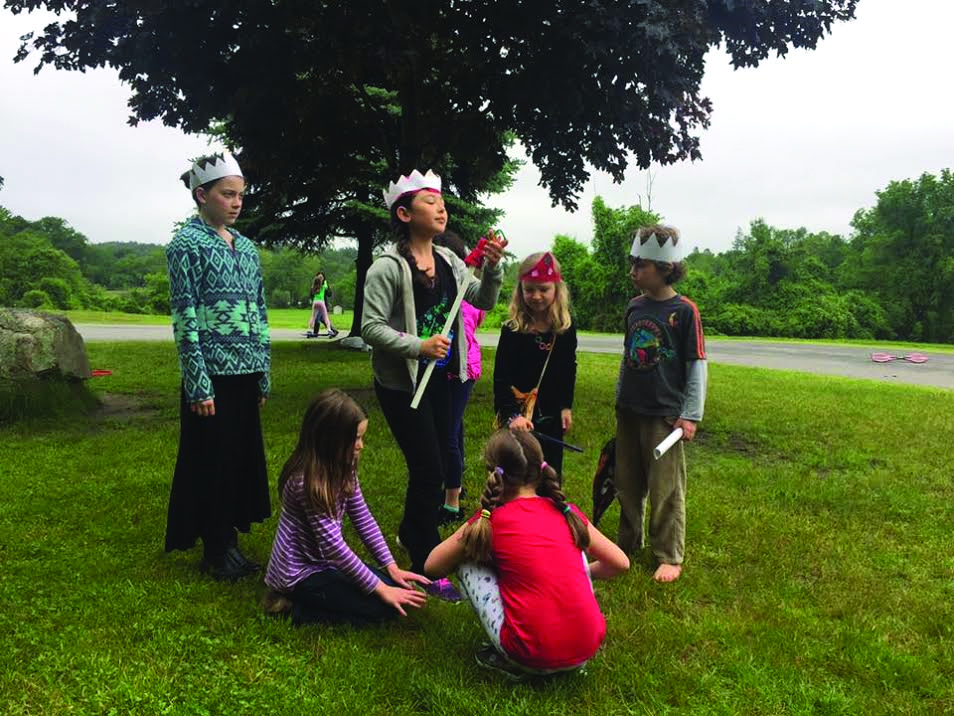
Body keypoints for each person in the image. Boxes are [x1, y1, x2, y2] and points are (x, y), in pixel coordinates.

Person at [361, 169, 504, 601]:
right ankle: (422, 556)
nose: (440, 206)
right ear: (404, 213)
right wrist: (417, 345)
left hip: (441, 379)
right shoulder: (386, 268)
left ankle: (411, 530)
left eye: (441, 199)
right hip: (403, 384)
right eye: (429, 201)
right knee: (428, 468)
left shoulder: (448, 260)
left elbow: (482, 298)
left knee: (439, 465)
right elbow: (369, 327)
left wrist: (494, 268)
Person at [425, 429, 629, 681]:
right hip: (585, 651)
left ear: (493, 474)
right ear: (539, 469)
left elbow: (432, 566)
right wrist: (578, 574)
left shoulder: (490, 521)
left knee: (467, 559)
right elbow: (621, 563)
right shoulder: (567, 512)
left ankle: (508, 661)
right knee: (574, 551)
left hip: (529, 655)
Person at [164, 151, 271, 581]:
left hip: (246, 372)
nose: (237, 202)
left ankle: (231, 541)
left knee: (240, 458)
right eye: (228, 194)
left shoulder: (245, 248)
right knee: (212, 460)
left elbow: (260, 312)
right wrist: (198, 382)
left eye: (240, 195)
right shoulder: (185, 245)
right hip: (212, 376)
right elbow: (185, 316)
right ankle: (214, 546)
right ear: (201, 194)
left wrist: (263, 370)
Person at [262, 389, 430, 625]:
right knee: (382, 608)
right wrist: (379, 589)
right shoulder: (305, 482)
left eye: (362, 437)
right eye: (355, 439)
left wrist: (390, 567)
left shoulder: (343, 466)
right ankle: (296, 608)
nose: (360, 446)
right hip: (300, 575)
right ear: (329, 439)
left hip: (326, 564)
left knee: (393, 588)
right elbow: (333, 547)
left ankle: (358, 590)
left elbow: (363, 519)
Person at [615, 225, 708, 583]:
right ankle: (626, 544)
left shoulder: (684, 311)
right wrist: (620, 396)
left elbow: (695, 363)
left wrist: (690, 415)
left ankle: (669, 554)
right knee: (627, 482)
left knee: (665, 488)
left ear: (664, 268)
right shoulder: (634, 306)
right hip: (630, 410)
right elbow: (628, 357)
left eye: (641, 266)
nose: (633, 272)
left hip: (665, 417)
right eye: (633, 265)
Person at [493, 251, 577, 477]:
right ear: (520, 290)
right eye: (529, 289)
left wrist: (565, 406)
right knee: (516, 473)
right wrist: (512, 415)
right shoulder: (512, 329)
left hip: (550, 416)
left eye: (544, 289)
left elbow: (568, 369)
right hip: (517, 418)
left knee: (548, 473)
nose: (536, 296)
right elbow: (501, 378)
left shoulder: (564, 329)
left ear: (556, 290)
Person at [433, 231, 487, 526]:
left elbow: (468, 325)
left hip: (460, 370)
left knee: (447, 435)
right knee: (454, 429)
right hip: (449, 368)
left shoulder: (463, 297)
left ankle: (451, 503)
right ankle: (457, 485)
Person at [306, 272, 339, 338]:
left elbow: (329, 294)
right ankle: (330, 330)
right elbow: (311, 294)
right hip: (321, 303)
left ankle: (310, 330)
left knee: (314, 317)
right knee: (323, 318)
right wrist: (325, 283)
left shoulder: (314, 286)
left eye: (321, 277)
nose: (320, 278)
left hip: (316, 302)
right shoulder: (324, 286)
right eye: (319, 277)